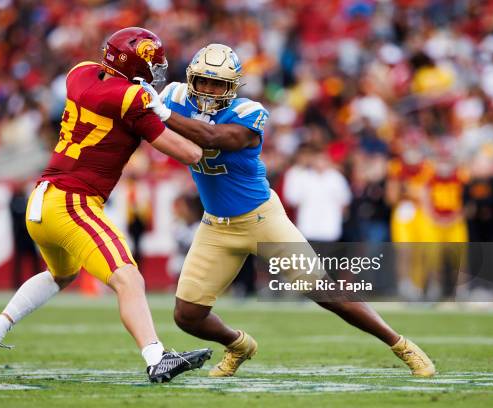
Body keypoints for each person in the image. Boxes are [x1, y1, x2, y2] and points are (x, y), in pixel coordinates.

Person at [142, 43, 436, 378]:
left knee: (325, 291)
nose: (209, 90)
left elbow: (213, 136)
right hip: (215, 226)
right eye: (204, 82)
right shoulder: (174, 96)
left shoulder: (247, 113)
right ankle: (238, 344)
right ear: (191, 78)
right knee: (187, 316)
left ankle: (401, 344)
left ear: (232, 86)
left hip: (261, 219)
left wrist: (161, 113)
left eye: (218, 83)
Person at [0, 27, 211, 384]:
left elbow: (110, 96)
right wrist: (162, 113)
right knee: (129, 277)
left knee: (61, 275)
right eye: (151, 62)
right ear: (134, 64)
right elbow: (192, 153)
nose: (157, 70)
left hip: (43, 199)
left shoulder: (80, 73)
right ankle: (157, 358)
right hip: (72, 202)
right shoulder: (132, 99)